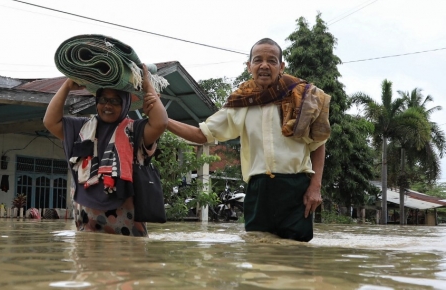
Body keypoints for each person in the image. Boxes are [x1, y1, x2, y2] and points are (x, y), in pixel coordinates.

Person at [167, 38, 331, 242]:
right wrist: (164, 120)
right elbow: (203, 134)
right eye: (258, 60)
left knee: (297, 255)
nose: (264, 65)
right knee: (256, 252)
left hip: (296, 189)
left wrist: (315, 187)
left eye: (271, 60)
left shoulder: (301, 98)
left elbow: (319, 144)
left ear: (281, 66)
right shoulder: (241, 103)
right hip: (258, 189)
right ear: (249, 66)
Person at [43, 64, 168, 237]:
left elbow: (160, 123)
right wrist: (67, 86)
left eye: (115, 100)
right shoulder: (82, 128)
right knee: (87, 262)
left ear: (125, 104)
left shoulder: (135, 130)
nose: (107, 105)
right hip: (87, 220)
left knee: (129, 261)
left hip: (126, 221)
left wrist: (147, 86)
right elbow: (50, 122)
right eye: (103, 100)